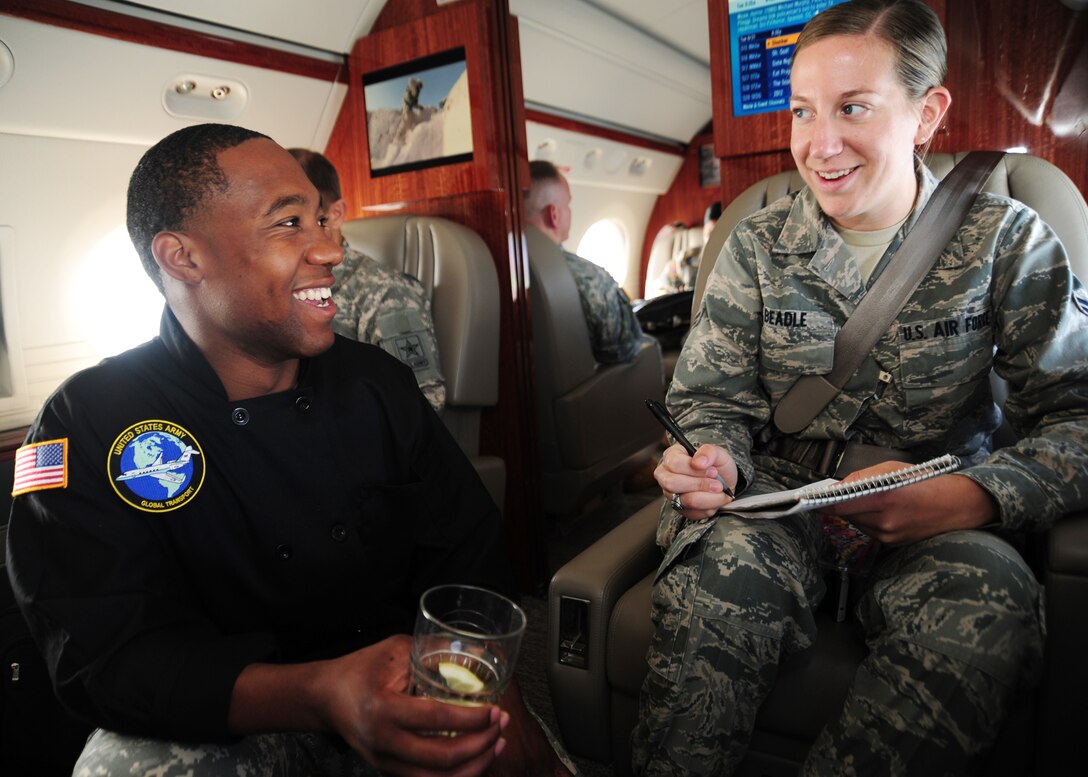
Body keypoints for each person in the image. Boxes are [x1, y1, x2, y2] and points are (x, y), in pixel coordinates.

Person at [6, 123, 571, 777]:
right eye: (289, 224)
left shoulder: (377, 384)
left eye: (324, 220)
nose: (331, 249)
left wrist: (500, 713)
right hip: (237, 714)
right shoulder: (86, 421)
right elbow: (103, 658)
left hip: (404, 688)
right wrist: (319, 692)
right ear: (183, 257)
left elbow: (469, 564)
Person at [632, 1, 1088, 775]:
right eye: (803, 112)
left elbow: (1078, 415)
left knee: (983, 611)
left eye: (854, 108)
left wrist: (972, 497)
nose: (821, 143)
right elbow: (713, 402)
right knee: (712, 576)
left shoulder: (1006, 239)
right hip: (780, 502)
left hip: (943, 510)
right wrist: (711, 457)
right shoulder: (757, 242)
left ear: (927, 113)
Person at [288, 147, 445, 412]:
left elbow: (423, 405)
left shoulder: (387, 292)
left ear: (336, 214)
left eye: (295, 220)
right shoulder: (280, 287)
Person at [525, 159, 647, 364]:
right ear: (553, 214)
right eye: (568, 204)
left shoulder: (494, 267)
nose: (570, 210)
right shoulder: (590, 278)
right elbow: (626, 348)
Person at [653, 201, 722, 296]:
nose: (711, 239)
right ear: (703, 232)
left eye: (716, 234)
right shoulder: (688, 256)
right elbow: (665, 279)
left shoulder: (731, 258)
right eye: (708, 233)